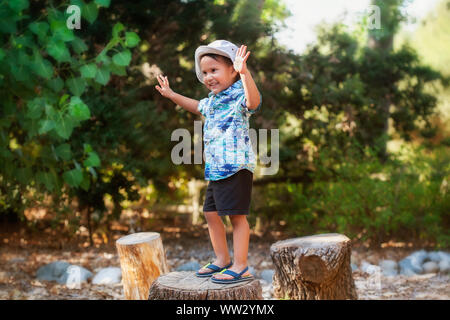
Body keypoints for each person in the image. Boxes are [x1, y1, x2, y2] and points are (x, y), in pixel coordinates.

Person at [155, 40, 262, 284]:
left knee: (236, 217)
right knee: (211, 214)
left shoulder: (238, 94)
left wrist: (245, 75)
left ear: (232, 70)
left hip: (235, 167)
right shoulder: (212, 100)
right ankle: (222, 259)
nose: (208, 77)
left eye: (214, 70)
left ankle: (241, 265)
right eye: (204, 73)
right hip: (216, 169)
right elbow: (196, 106)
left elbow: (254, 102)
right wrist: (171, 95)